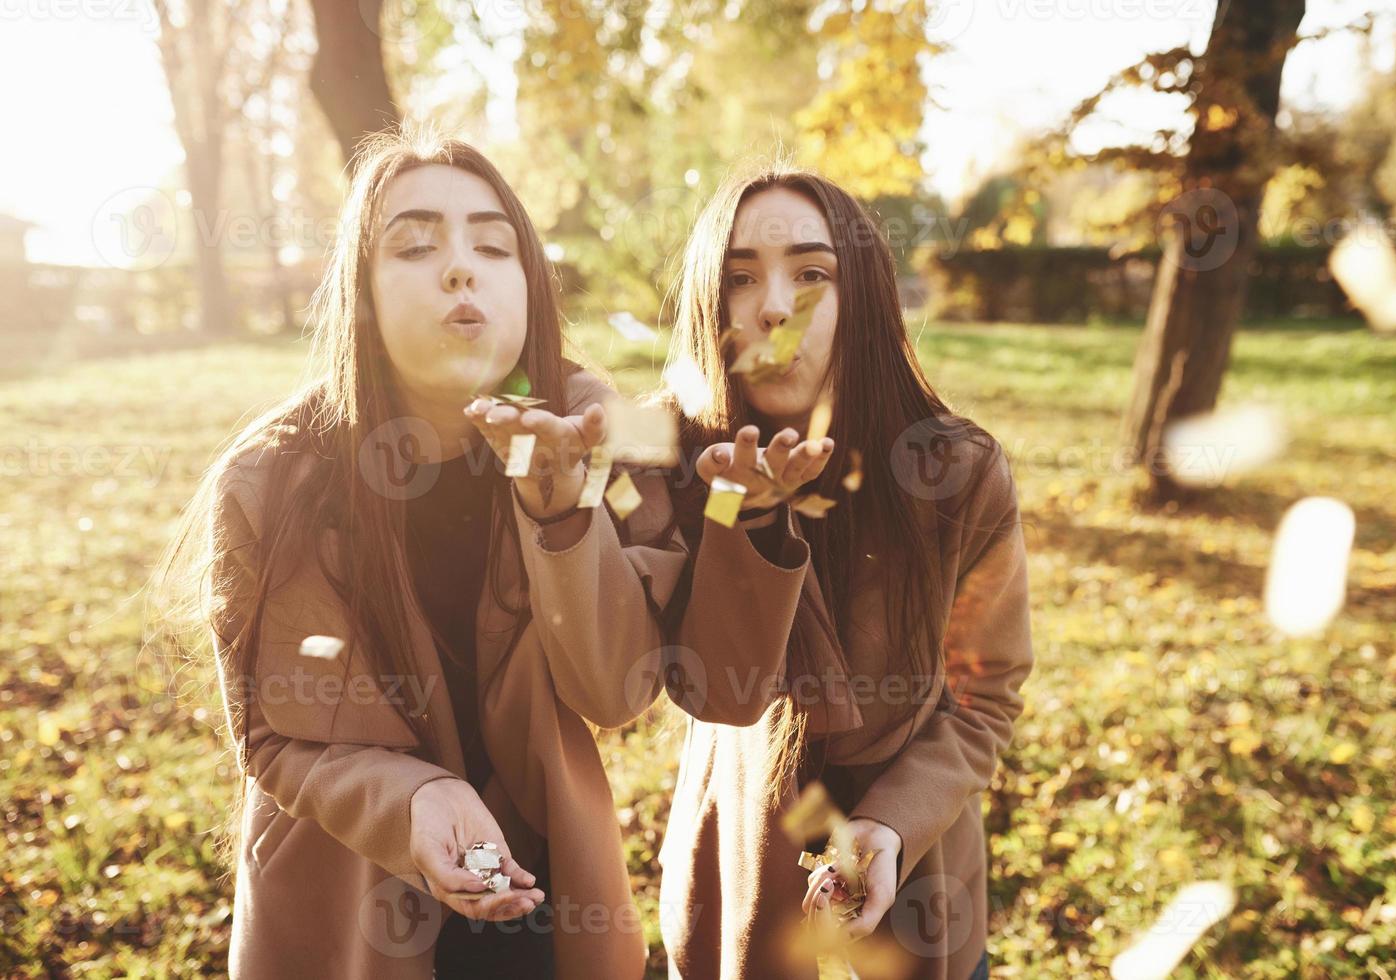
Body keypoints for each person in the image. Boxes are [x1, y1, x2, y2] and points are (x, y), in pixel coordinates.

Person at [151, 125, 684, 979]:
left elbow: (616, 690)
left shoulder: (590, 431)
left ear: (529, 284)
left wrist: (560, 517)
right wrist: (417, 799)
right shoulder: (273, 478)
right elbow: (272, 737)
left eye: (492, 244)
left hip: (545, 894)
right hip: (351, 907)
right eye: (414, 245)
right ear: (360, 291)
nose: (461, 268)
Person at [655, 162, 1034, 980]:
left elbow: (986, 693)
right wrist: (744, 516)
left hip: (920, 853)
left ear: (860, 297)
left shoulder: (956, 473)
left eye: (812, 273)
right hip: (745, 839)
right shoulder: (682, 472)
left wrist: (892, 824)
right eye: (741, 277)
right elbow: (720, 687)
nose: (775, 306)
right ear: (711, 308)